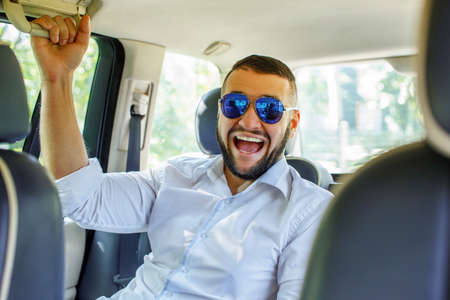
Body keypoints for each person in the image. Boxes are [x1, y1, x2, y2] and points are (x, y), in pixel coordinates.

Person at [31, 14, 332, 300]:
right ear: (220, 113)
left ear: (291, 123)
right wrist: (57, 78)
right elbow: (81, 198)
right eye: (235, 104)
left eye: (270, 109)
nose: (249, 122)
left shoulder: (310, 213)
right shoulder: (177, 175)